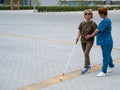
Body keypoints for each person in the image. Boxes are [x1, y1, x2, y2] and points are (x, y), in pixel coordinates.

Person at [85, 7, 115, 77]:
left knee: (105, 56)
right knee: (108, 54)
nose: (99, 15)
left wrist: (90, 35)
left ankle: (104, 71)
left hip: (106, 42)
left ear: (102, 14)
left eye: (99, 14)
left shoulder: (106, 21)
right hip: (105, 41)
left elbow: (97, 30)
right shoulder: (106, 20)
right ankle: (111, 65)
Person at [76, 9, 97, 74]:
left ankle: (85, 68)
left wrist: (90, 36)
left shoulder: (93, 23)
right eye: (86, 14)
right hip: (82, 40)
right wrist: (77, 37)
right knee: (86, 54)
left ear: (91, 15)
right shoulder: (82, 23)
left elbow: (96, 32)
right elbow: (80, 31)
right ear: (84, 15)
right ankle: (88, 65)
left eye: (89, 14)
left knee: (86, 53)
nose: (87, 15)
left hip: (90, 41)